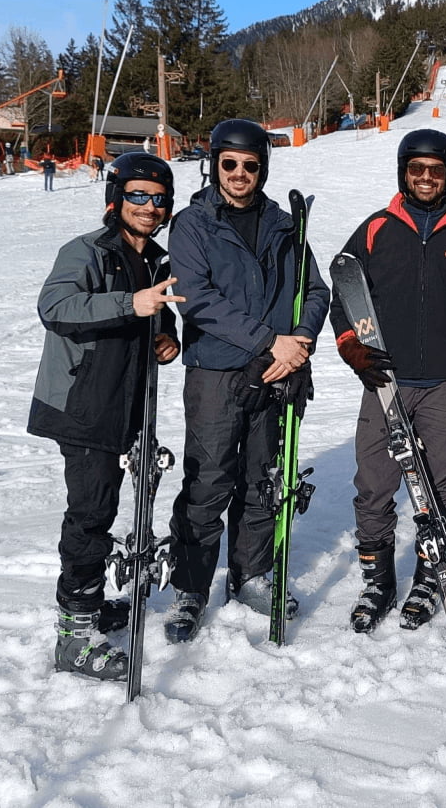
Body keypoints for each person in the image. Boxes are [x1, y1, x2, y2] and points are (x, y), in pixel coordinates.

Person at [164, 118, 329, 643]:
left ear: (263, 168)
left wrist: (299, 340)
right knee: (208, 480)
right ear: (215, 164)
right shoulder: (193, 224)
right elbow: (196, 299)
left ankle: (251, 574)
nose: (239, 173)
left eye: (250, 165)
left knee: (264, 478)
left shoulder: (284, 225)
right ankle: (191, 587)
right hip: (216, 372)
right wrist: (268, 341)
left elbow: (316, 290)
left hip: (278, 371)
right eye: (229, 163)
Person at [330, 129, 446, 634]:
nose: (426, 178)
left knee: (437, 484)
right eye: (416, 169)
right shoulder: (376, 230)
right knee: (374, 484)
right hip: (385, 380)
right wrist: (351, 346)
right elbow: (343, 292)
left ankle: (429, 574)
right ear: (404, 172)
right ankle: (378, 580)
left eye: (436, 170)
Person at [28, 153, 184, 681]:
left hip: (125, 406)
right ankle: (74, 636)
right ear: (116, 199)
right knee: (90, 515)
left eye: (158, 199)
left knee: (108, 506)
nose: (148, 207)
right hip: (84, 406)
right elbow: (55, 307)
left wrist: (166, 337)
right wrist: (129, 304)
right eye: (137, 195)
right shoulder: (87, 250)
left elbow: (155, 313)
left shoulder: (156, 260)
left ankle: (91, 605)